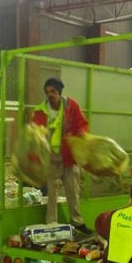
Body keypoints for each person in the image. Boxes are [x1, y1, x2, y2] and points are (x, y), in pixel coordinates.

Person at [31, 77, 90, 233]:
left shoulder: (71, 106)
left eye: (52, 91)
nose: (49, 95)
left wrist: (81, 135)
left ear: (59, 92)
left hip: (69, 157)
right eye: (47, 92)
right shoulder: (40, 111)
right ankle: (52, 224)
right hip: (50, 159)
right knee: (51, 193)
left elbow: (81, 124)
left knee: (73, 191)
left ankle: (77, 222)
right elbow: (35, 134)